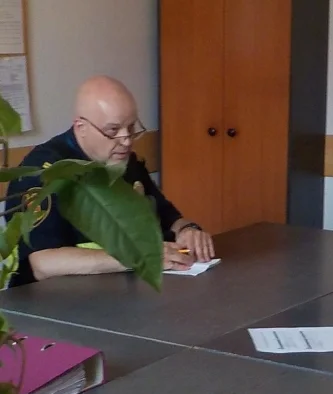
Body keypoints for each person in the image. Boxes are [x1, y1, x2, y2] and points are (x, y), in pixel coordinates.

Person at [5, 75, 214, 287]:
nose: (127, 141)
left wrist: (188, 230)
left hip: (120, 290)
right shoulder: (43, 172)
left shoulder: (122, 160)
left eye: (131, 128)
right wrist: (136, 256)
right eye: (113, 130)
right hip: (55, 298)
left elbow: (167, 216)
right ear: (81, 127)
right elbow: (42, 263)